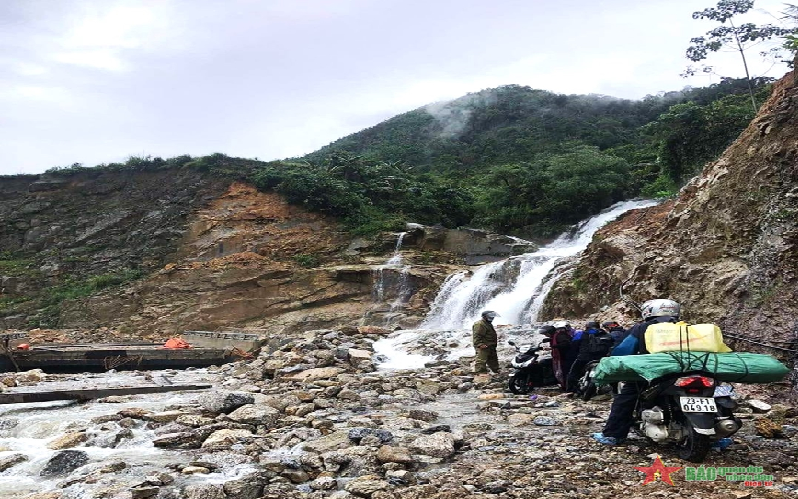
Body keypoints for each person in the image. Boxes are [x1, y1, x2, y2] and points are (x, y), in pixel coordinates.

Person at [592, 299, 681, 445]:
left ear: (649, 311)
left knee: (625, 399)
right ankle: (719, 437)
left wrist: (612, 359)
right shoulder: (686, 327)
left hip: (652, 373)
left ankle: (613, 435)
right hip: (689, 368)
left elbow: (624, 350)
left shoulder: (642, 328)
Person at [566, 321, 614, 393]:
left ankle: (570, 390)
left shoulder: (582, 333)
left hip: (583, 357)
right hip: (600, 358)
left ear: (587, 327)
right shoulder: (606, 334)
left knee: (573, 373)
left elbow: (574, 345)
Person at [545, 320, 574, 390]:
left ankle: (568, 387)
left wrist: (553, 347)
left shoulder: (560, 335)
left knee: (565, 371)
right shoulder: (559, 335)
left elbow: (565, 344)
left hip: (565, 356)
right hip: (564, 356)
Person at [472, 310, 500, 374]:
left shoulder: (488, 323)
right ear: (484, 317)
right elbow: (477, 335)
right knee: (481, 360)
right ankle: (480, 374)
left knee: (493, 359)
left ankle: (496, 371)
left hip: (490, 345)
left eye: (492, 317)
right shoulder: (479, 324)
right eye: (490, 317)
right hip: (484, 345)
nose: (492, 318)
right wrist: (480, 344)